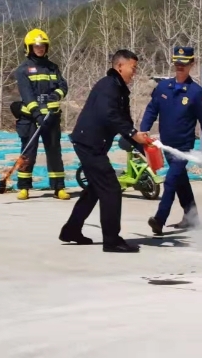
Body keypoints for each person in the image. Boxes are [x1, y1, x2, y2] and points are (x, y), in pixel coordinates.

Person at [59, 49, 148, 253]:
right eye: (132, 68)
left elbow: (123, 121)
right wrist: (134, 133)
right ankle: (112, 240)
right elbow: (109, 115)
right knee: (111, 189)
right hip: (89, 144)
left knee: (95, 190)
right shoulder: (108, 86)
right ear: (120, 66)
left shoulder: (119, 88)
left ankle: (71, 230)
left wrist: (141, 143)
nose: (134, 73)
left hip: (92, 143)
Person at [141, 46, 202, 235]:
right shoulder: (164, 87)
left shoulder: (197, 93)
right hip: (166, 145)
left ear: (192, 64)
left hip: (183, 148)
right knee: (181, 181)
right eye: (177, 63)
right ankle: (192, 217)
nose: (180, 66)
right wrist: (143, 129)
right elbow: (152, 109)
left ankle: (159, 219)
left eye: (184, 63)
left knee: (171, 181)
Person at [13, 28, 70, 200]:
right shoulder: (23, 70)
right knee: (28, 152)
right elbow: (27, 95)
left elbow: (63, 86)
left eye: (43, 45)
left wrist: (56, 95)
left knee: (54, 152)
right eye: (36, 46)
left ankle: (58, 187)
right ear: (29, 48)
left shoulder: (53, 68)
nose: (40, 48)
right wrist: (37, 114)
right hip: (30, 118)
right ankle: (24, 187)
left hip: (51, 117)